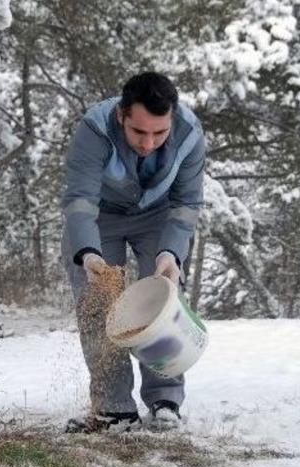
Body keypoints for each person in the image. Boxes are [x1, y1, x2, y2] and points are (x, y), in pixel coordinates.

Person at [60, 71, 206, 433]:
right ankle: (115, 408)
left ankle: (165, 400)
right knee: (98, 301)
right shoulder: (94, 129)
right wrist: (88, 253)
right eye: (139, 132)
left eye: (159, 132)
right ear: (122, 114)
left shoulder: (190, 133)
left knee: (165, 297)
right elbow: (80, 201)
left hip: (157, 219)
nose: (149, 143)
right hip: (101, 219)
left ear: (172, 118)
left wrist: (171, 253)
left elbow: (185, 205)